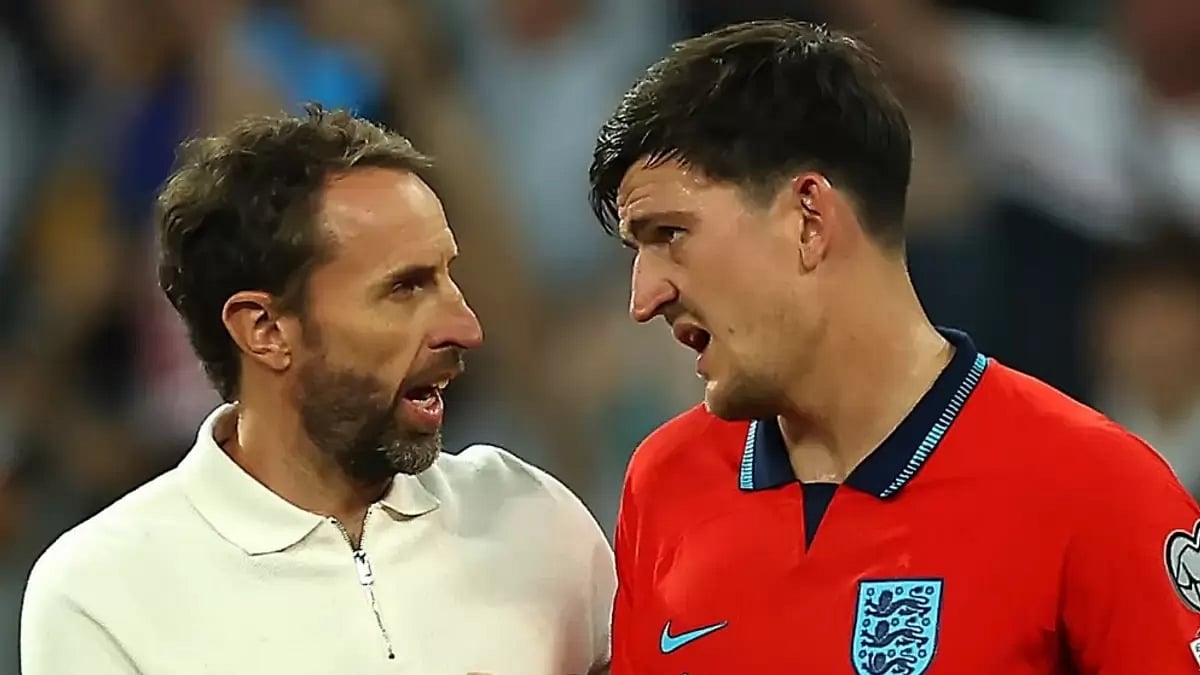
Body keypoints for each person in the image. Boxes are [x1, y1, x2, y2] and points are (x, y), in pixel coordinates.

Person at [587, 19, 1200, 675]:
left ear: (808, 219)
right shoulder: (664, 482)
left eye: (670, 234)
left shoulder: (1097, 491)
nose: (644, 297)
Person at [21, 105, 614, 675]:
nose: (465, 327)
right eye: (406, 288)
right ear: (265, 330)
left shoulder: (535, 517)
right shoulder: (101, 596)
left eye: (447, 275)